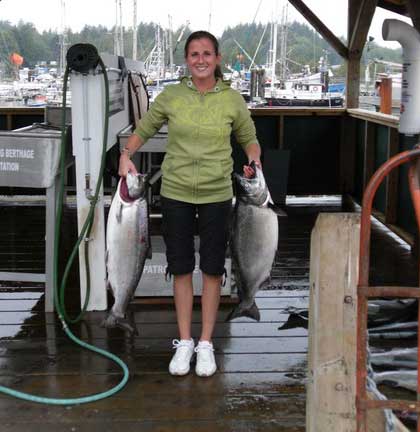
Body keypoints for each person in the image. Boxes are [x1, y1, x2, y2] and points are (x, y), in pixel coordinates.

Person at [118, 30, 261, 377]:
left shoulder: (232, 99)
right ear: (186, 60)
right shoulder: (171, 96)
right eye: (194, 54)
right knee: (180, 268)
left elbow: (249, 138)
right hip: (176, 193)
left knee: (213, 269)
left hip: (216, 195)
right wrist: (126, 154)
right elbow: (146, 127)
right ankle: (184, 342)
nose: (200, 60)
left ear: (217, 59)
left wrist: (254, 162)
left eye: (207, 54)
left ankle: (207, 343)